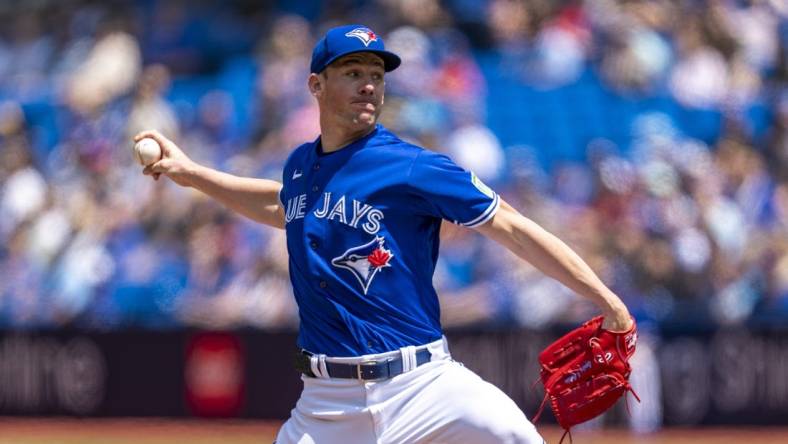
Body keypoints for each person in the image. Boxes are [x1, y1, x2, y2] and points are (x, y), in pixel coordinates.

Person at [135, 24, 633, 444]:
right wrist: (191, 173)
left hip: (423, 387)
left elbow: (516, 230)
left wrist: (606, 299)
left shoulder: (413, 167)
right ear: (316, 85)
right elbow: (282, 205)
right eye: (353, 73)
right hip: (325, 406)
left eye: (376, 75)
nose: (369, 85)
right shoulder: (301, 169)